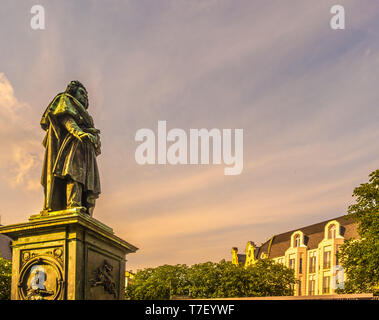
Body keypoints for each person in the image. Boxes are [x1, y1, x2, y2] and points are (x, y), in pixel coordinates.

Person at [40, 80, 101, 216]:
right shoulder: (65, 100)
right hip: (73, 144)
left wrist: (94, 138)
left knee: (88, 181)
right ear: (72, 92)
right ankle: (73, 203)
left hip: (86, 148)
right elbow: (67, 120)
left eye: (86, 95)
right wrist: (80, 133)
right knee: (74, 174)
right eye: (82, 92)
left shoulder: (87, 116)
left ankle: (86, 209)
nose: (85, 96)